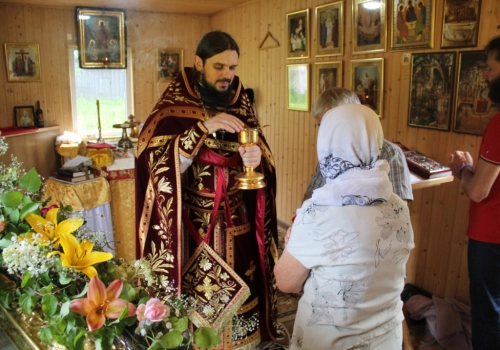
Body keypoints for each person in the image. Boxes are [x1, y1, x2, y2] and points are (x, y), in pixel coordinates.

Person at [135, 31, 281, 349]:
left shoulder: (240, 101)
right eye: (219, 67)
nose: (228, 75)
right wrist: (201, 130)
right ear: (199, 63)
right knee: (196, 319)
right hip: (191, 229)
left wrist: (255, 159)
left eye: (232, 67)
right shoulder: (174, 108)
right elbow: (156, 164)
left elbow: (257, 158)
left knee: (243, 307)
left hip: (237, 225)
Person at [274, 103, 415, 349]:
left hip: (333, 341)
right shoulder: (397, 205)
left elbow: (286, 282)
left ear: (327, 143)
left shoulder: (319, 212)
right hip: (386, 337)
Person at [448, 36, 500, 350]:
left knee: (488, 314)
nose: (484, 75)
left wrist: (462, 171)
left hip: (491, 236)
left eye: (490, 67)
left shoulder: (498, 124)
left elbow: (479, 191)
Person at [303, 88, 413, 203]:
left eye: (333, 124)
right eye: (323, 126)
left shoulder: (390, 153)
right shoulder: (330, 151)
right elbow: (310, 196)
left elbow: (398, 209)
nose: (327, 132)